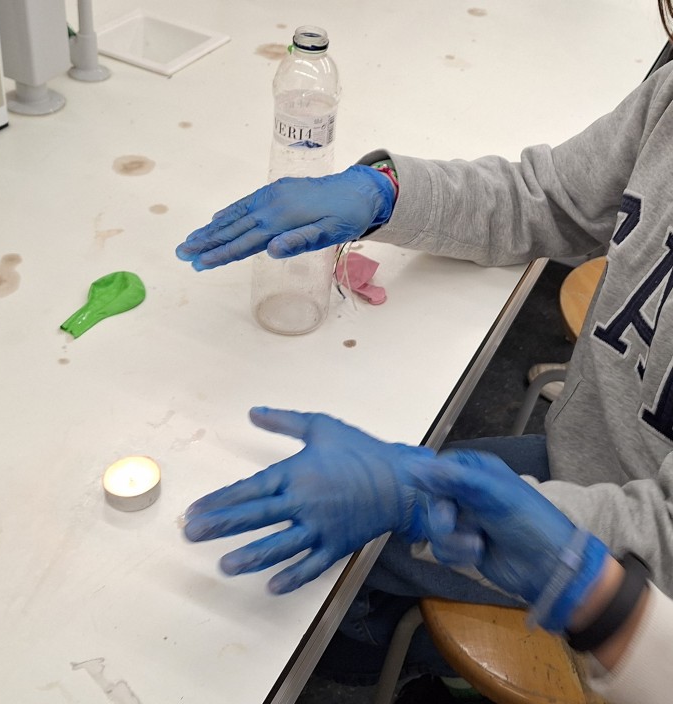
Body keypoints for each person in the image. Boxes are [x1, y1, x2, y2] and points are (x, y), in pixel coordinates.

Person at [176, 0, 673, 693]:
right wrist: (387, 194)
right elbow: (551, 198)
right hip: (589, 458)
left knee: (330, 564)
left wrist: (572, 576)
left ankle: (383, 653)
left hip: (630, 563)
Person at [184, 409, 670, 704]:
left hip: (642, 556)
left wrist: (591, 591)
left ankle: (389, 659)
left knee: (352, 548)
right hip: (595, 449)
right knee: (386, 477)